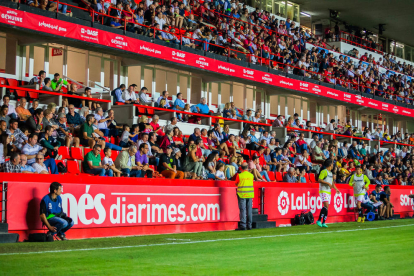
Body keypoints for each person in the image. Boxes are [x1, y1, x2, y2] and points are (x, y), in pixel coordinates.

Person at [316, 159, 340, 228]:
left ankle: (323, 222)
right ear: (330, 165)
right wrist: (327, 183)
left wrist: (336, 189)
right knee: (326, 205)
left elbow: (332, 182)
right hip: (323, 190)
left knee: (327, 207)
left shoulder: (330, 173)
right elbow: (319, 179)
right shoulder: (324, 171)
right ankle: (318, 220)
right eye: (332, 164)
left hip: (328, 191)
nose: (333, 165)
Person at [235, 163, 254, 230]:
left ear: (241, 168)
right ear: (247, 167)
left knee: (243, 210)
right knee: (249, 210)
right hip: (250, 194)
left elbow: (236, 183)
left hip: (242, 194)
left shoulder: (239, 175)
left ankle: (243, 225)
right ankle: (249, 225)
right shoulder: (251, 175)